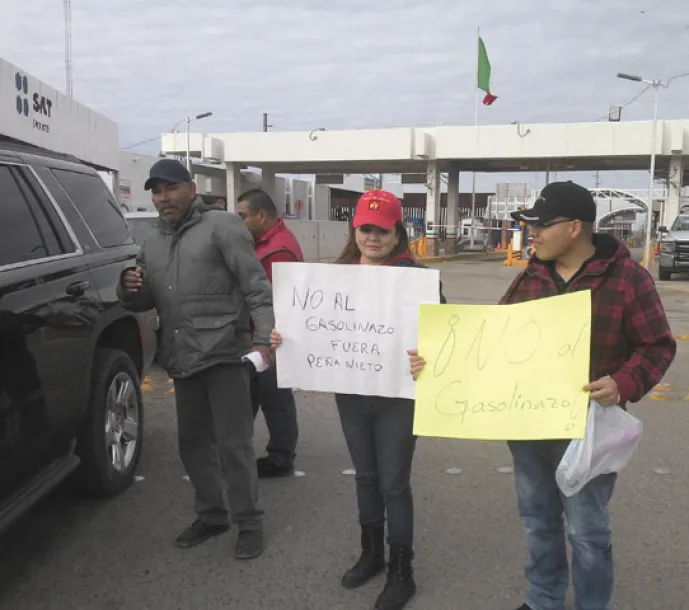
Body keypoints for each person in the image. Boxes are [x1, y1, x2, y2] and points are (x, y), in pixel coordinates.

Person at [409, 181, 676, 610]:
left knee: (587, 531)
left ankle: (592, 604)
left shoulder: (627, 280)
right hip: (529, 428)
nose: (531, 234)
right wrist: (436, 364)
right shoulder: (528, 279)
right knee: (538, 521)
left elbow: (658, 346)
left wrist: (624, 383)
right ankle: (543, 599)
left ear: (574, 228)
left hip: (589, 429)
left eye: (540, 225)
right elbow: (486, 347)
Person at [270, 190, 445, 610]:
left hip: (398, 397)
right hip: (351, 391)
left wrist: (430, 356)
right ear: (355, 229)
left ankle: (403, 571)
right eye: (366, 228)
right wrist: (285, 338)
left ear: (397, 232)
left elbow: (444, 336)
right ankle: (372, 553)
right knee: (365, 476)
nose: (373, 237)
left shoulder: (418, 279)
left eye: (382, 230)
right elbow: (310, 325)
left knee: (394, 482)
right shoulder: (334, 278)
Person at [117, 158, 275, 560]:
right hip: (181, 355)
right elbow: (145, 299)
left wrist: (263, 342)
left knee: (233, 446)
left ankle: (250, 522)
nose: (162, 198)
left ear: (191, 187)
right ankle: (213, 514)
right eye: (156, 191)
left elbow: (256, 288)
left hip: (226, 354)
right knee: (192, 445)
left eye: (170, 188)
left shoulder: (222, 226)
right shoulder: (152, 241)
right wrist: (129, 288)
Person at [236, 187, 304, 477]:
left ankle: (280, 457)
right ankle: (241, 451)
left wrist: (265, 341)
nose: (238, 223)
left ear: (261, 216)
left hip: (271, 337)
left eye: (242, 217)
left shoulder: (278, 251)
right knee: (259, 395)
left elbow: (270, 299)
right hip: (265, 336)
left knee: (274, 398)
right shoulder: (270, 242)